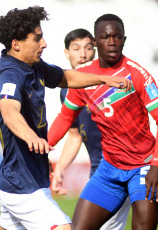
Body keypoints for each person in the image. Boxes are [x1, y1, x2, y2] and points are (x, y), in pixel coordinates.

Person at [0, 7, 131, 230]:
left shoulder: (33, 66)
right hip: (23, 184)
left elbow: (66, 77)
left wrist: (103, 79)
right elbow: (9, 112)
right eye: (37, 39)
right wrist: (31, 137)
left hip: (25, 176)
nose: (44, 44)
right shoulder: (10, 75)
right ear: (16, 44)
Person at [48, 14, 158, 230]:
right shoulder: (83, 77)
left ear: (124, 40)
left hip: (143, 168)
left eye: (117, 37)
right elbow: (65, 118)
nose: (112, 41)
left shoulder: (138, 74)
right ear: (96, 42)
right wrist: (43, 147)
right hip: (109, 170)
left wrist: (157, 165)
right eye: (106, 37)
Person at [52, 28, 131, 230]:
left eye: (88, 48)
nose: (83, 54)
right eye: (76, 48)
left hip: (119, 171)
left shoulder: (111, 83)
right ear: (66, 53)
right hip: (98, 173)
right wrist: (60, 167)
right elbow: (74, 134)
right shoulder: (67, 91)